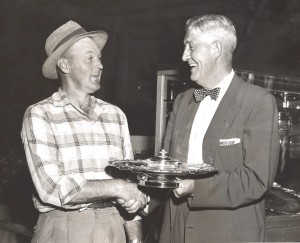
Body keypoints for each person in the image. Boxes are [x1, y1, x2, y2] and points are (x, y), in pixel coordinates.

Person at [21, 20, 147, 243]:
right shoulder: (41, 114)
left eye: (99, 58)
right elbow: (50, 188)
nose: (99, 65)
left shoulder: (115, 115)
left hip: (113, 226)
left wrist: (136, 239)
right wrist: (117, 187)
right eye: (90, 58)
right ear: (65, 66)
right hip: (64, 227)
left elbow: (129, 187)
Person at [159, 14, 279, 243]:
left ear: (215, 48)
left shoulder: (257, 101)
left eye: (191, 47)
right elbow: (167, 166)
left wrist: (195, 187)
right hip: (177, 231)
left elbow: (257, 180)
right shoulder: (183, 101)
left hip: (228, 234)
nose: (184, 56)